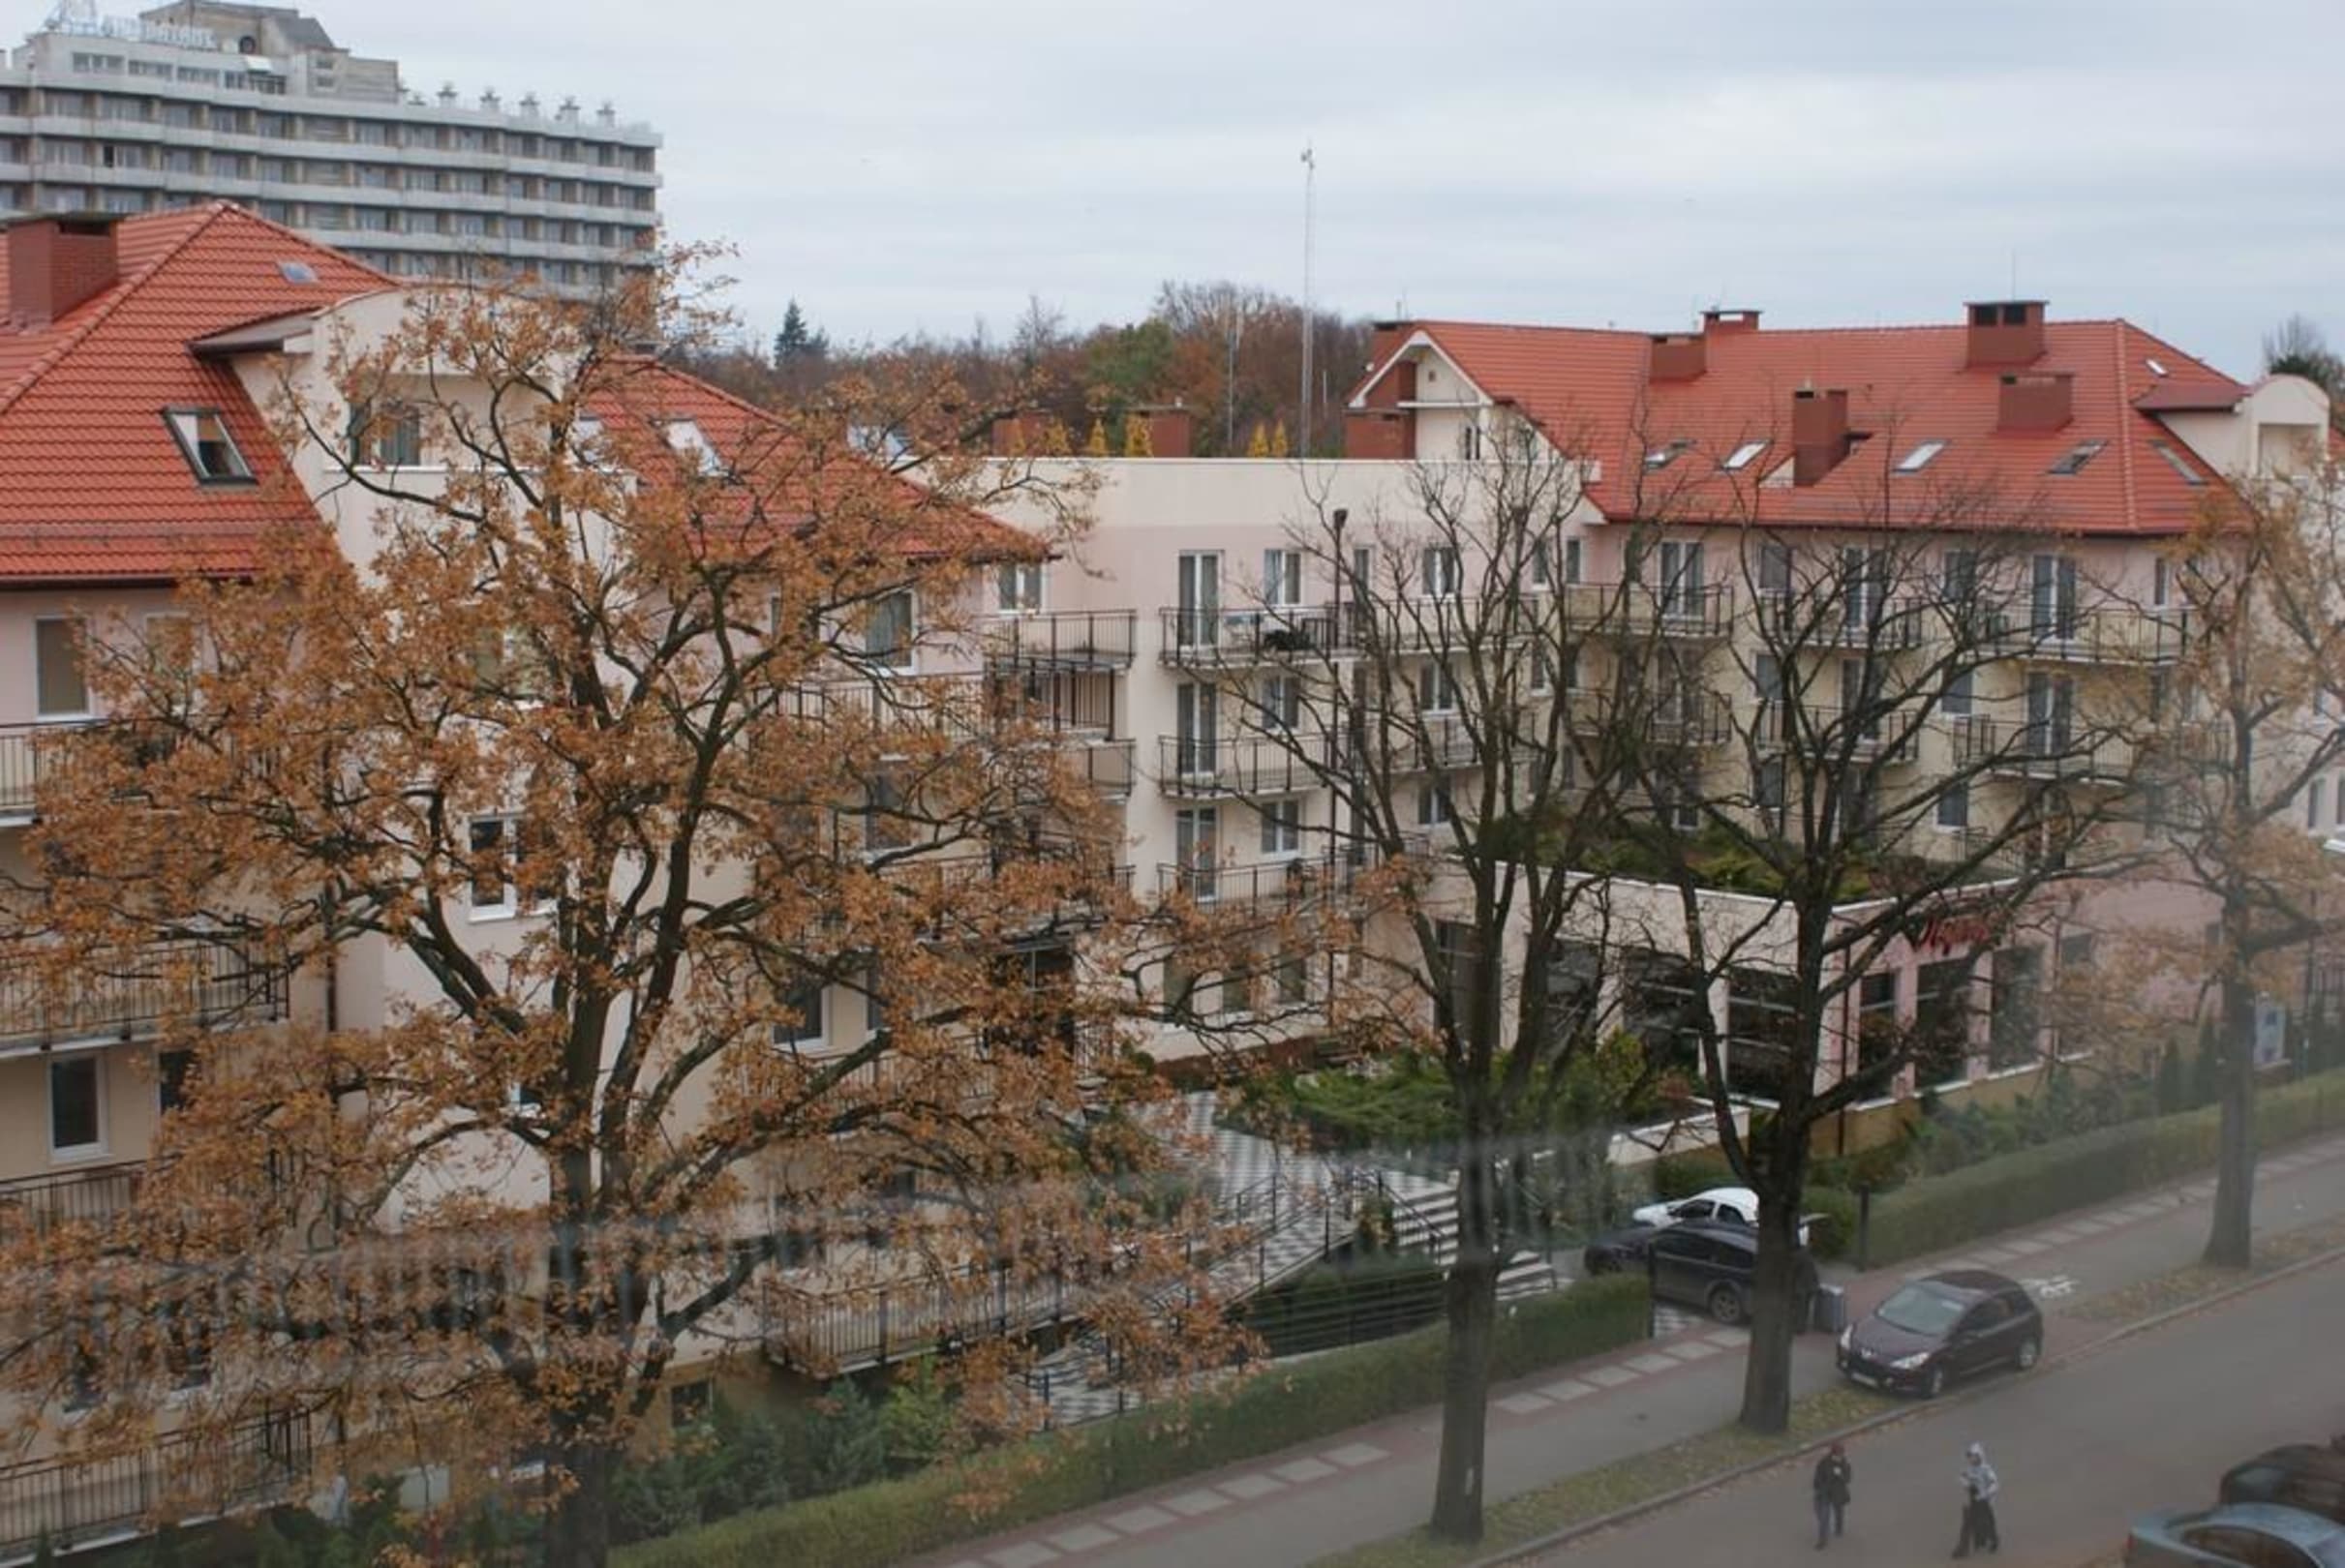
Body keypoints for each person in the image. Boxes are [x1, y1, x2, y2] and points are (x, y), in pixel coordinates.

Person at [1954, 1442, 2000, 1557]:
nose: (1971, 1459)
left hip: (1985, 1502)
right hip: (1973, 1500)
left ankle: (1992, 1540)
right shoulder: (1969, 1470)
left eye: (1973, 1456)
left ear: (1979, 1456)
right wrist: (1966, 1484)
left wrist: (1986, 1493)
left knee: (1987, 1524)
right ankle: (1962, 1549)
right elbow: (1961, 1477)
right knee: (1968, 1523)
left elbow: (1995, 1484)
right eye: (1970, 1456)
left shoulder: (1986, 1470)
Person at [1812, 1440, 1853, 1549]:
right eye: (1837, 1455)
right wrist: (1819, 1488)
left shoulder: (1844, 1463)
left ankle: (1839, 1528)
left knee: (1839, 1511)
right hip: (1825, 1493)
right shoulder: (1824, 1462)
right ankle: (1822, 1540)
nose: (1839, 1457)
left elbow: (1848, 1478)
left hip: (1837, 1493)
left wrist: (1840, 1475)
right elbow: (1818, 1476)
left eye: (1841, 1454)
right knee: (1824, 1517)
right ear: (1832, 1454)